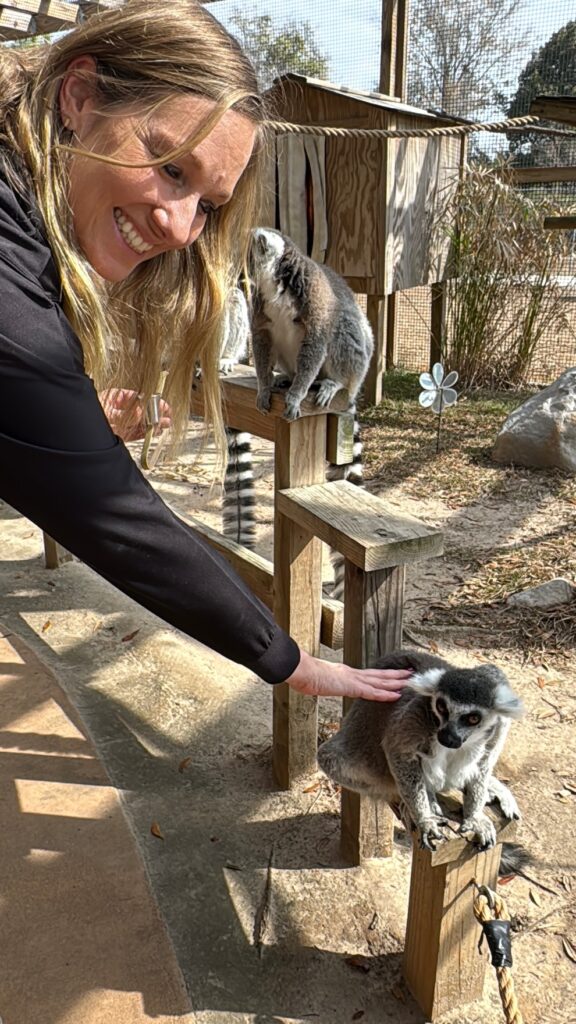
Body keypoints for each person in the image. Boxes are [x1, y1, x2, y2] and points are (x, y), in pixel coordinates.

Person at [0, 0, 410, 702]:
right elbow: (108, 511)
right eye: (171, 168)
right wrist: (289, 660)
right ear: (79, 96)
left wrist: (67, 410)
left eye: (209, 206)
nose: (181, 227)